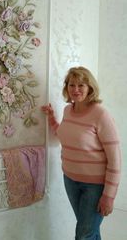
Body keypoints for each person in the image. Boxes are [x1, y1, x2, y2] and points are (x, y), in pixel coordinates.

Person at [41, 66, 121, 240]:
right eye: (71, 85)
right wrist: (52, 118)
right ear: (66, 88)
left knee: (84, 234)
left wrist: (109, 196)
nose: (75, 90)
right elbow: (64, 135)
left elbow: (115, 160)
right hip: (70, 180)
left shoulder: (101, 114)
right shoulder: (68, 111)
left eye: (81, 85)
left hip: (95, 186)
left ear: (90, 87)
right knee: (90, 231)